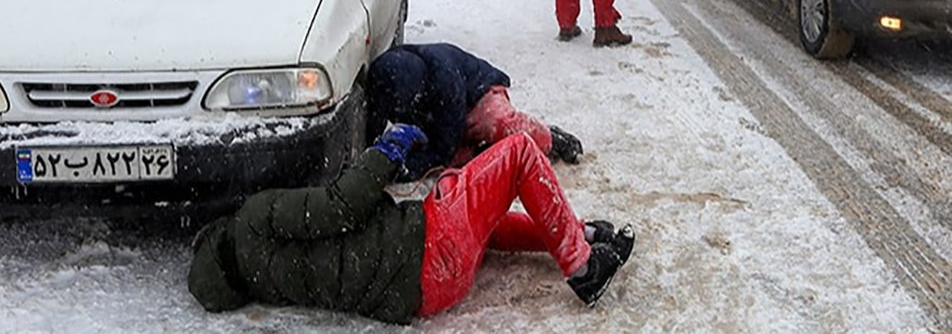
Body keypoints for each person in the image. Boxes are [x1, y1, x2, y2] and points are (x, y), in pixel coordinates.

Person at [188, 124, 635, 324]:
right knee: (517, 154)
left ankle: (586, 235)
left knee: (477, 216)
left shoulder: (260, 278)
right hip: (423, 243)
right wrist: (386, 149)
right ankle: (583, 269)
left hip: (426, 292)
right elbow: (341, 205)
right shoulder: (252, 220)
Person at [366, 43, 583, 182]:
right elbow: (374, 123)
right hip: (439, 118)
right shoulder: (384, 77)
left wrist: (410, 169)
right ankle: (483, 151)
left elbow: (445, 146)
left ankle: (549, 138)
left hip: (478, 97)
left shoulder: (444, 78)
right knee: (452, 168)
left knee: (498, 125)